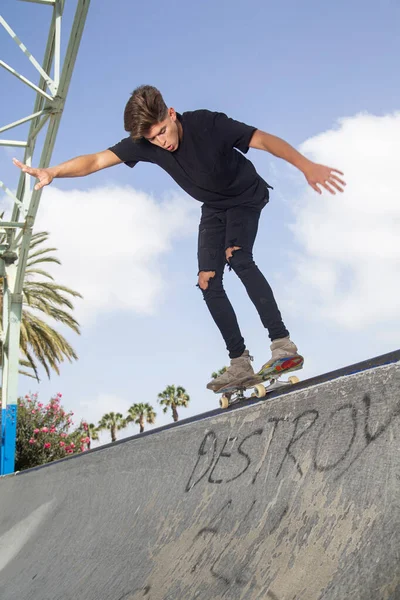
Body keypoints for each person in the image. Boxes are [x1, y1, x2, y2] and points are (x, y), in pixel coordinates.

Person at [13, 85, 346, 391]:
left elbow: (264, 140)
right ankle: (240, 363)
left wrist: (306, 165)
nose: (162, 142)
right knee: (207, 281)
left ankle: (282, 346)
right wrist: (53, 171)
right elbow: (98, 160)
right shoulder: (146, 143)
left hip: (245, 195)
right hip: (214, 207)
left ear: (171, 113)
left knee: (237, 256)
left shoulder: (208, 124)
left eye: (163, 132)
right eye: (153, 139)